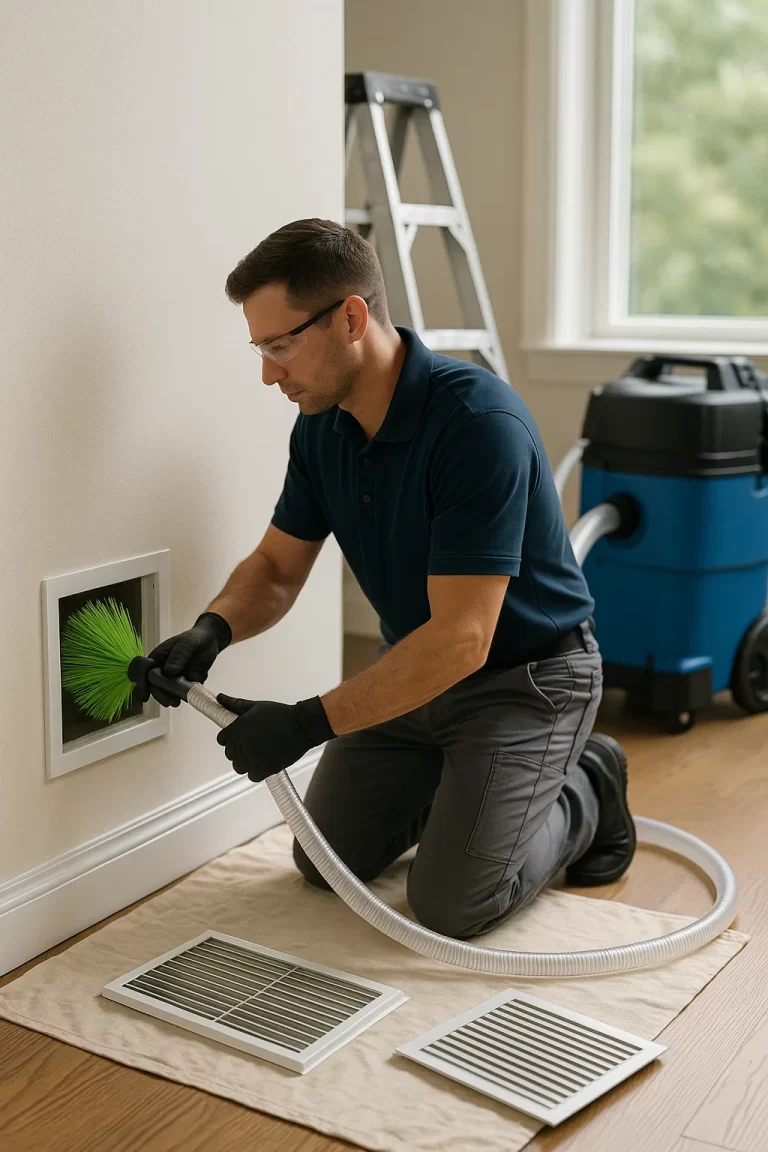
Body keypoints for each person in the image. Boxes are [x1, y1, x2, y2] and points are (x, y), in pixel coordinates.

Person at [138, 218, 635, 940]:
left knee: (452, 906)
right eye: (261, 348)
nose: (269, 373)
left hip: (526, 682)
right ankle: (475, 791)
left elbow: (465, 639)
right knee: (324, 860)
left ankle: (587, 786)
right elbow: (278, 567)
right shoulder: (321, 423)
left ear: (350, 317)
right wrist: (210, 630)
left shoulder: (475, 423)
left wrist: (307, 723)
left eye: (282, 345)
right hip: (413, 669)